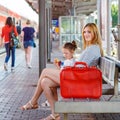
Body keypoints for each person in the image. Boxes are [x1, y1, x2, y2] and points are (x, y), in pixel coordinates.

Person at [20, 23, 104, 120]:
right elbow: (81, 66)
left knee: (45, 71)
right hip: (77, 77)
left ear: (95, 33)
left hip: (77, 80)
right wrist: (65, 66)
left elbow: (80, 68)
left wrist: (66, 68)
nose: (86, 34)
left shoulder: (92, 49)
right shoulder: (91, 48)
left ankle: (33, 101)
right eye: (84, 32)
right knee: (45, 82)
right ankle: (54, 114)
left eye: (89, 32)